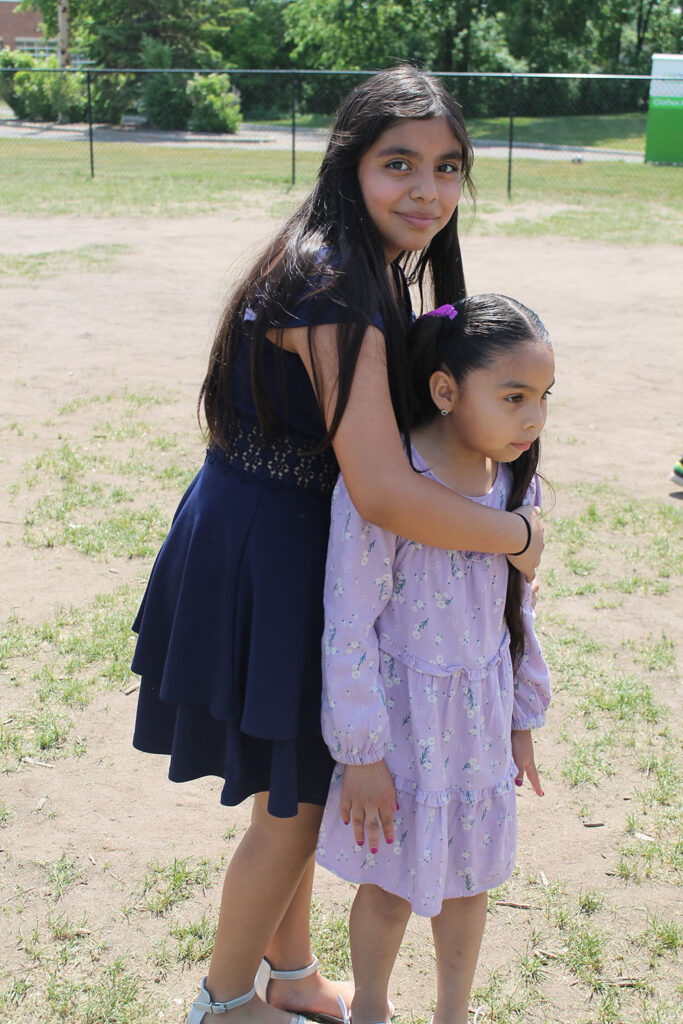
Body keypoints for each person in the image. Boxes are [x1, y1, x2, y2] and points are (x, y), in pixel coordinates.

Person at [130, 67, 545, 1024]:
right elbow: (383, 488)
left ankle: (289, 977)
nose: (426, 191)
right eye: (397, 163)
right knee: (298, 804)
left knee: (295, 784)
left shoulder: (360, 266)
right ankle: (226, 999)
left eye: (447, 168)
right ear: (348, 165)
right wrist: (513, 534)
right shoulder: (329, 281)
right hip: (268, 555)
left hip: (279, 538)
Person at [316, 294, 553, 1024]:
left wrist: (520, 717)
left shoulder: (514, 486)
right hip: (397, 724)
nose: (532, 418)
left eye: (542, 398)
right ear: (446, 390)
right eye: (512, 396)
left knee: (470, 883)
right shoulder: (386, 484)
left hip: (477, 722)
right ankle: (372, 1011)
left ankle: (454, 1013)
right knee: (387, 887)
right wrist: (360, 752)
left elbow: (519, 614)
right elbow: (347, 621)